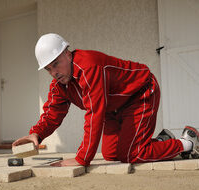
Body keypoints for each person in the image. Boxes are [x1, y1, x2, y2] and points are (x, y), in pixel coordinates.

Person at [12, 33, 199, 167]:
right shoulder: (59, 84)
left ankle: (188, 143)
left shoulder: (88, 66)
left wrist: (81, 159)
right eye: (48, 70)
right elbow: (53, 113)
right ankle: (161, 141)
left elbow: (94, 114)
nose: (54, 73)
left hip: (140, 92)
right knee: (110, 154)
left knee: (131, 154)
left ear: (67, 54)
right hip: (113, 108)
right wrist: (36, 134)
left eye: (56, 65)